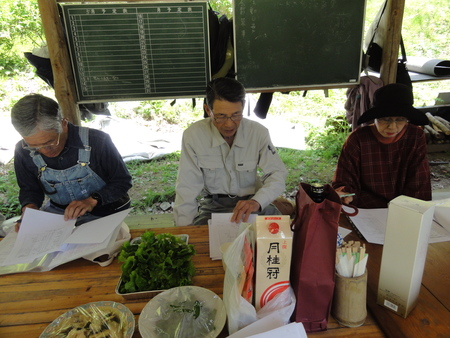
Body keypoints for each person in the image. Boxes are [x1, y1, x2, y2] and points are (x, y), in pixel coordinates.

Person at [174, 77, 287, 226]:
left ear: (243, 106)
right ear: (208, 110)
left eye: (236, 115)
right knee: (203, 242)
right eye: (221, 116)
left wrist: (257, 201)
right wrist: (184, 231)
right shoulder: (193, 136)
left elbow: (277, 174)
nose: (229, 124)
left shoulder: (258, 132)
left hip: (252, 203)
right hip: (214, 207)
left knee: (279, 235)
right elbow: (187, 188)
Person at [11, 94, 132, 230]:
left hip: (106, 212)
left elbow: (122, 181)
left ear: (63, 124)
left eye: (50, 142)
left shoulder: (97, 141)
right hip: (61, 216)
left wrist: (92, 200)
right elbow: (29, 189)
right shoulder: (22, 150)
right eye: (34, 146)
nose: (44, 151)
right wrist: (29, 209)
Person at [332, 83, 431, 208]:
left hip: (405, 205)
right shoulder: (358, 139)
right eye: (386, 119)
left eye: (400, 119)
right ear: (375, 118)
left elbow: (419, 180)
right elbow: (345, 177)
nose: (392, 127)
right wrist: (346, 193)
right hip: (366, 205)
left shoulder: (415, 135)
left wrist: (408, 208)